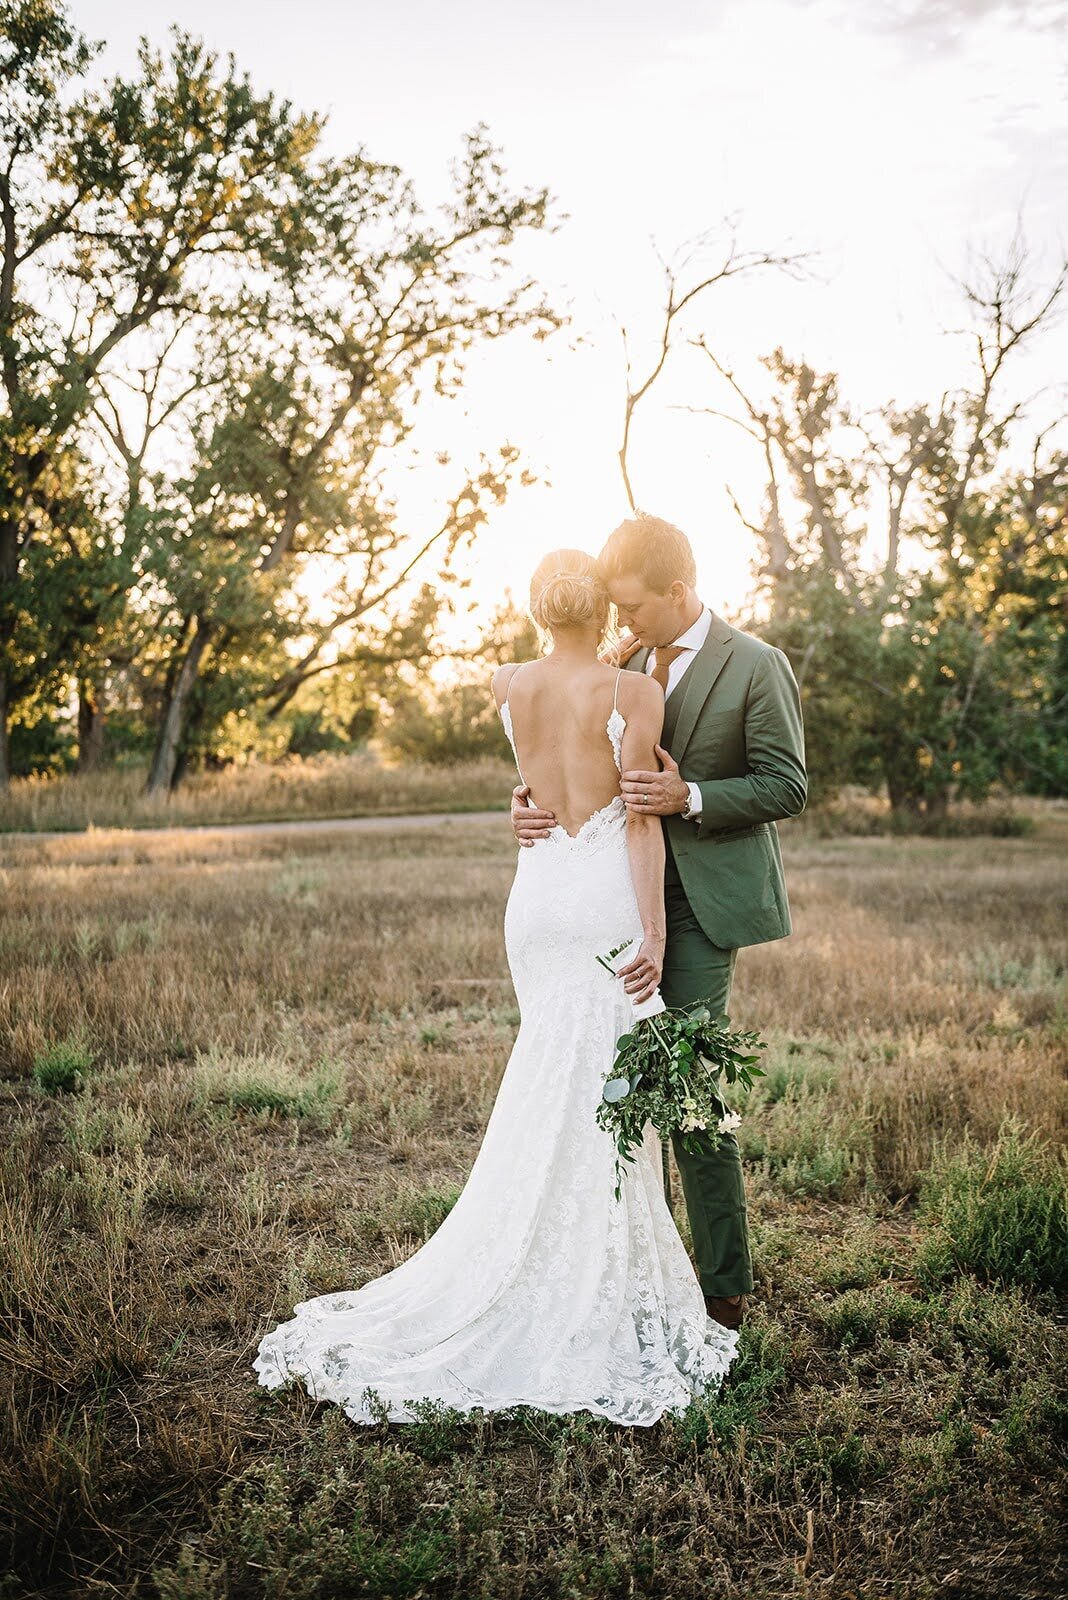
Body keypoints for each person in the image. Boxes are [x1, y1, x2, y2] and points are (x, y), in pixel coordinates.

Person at [252, 545, 740, 1427]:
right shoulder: (632, 693)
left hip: (536, 898)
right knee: (602, 1082)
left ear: (536, 610)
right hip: (599, 902)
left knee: (553, 1073)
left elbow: (532, 784)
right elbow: (637, 818)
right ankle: (585, 1273)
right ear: (606, 614)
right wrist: (657, 935)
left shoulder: (507, 681)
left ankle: (535, 1248)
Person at [510, 513, 807, 1331]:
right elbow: (578, 755)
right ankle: (642, 1266)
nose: (621, 620)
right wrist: (526, 802)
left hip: (701, 906)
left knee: (687, 1088)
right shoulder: (626, 664)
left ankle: (722, 1288)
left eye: (633, 606)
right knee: (617, 1087)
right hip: (612, 902)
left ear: (678, 591)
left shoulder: (756, 665)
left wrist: (693, 797)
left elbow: (787, 784)